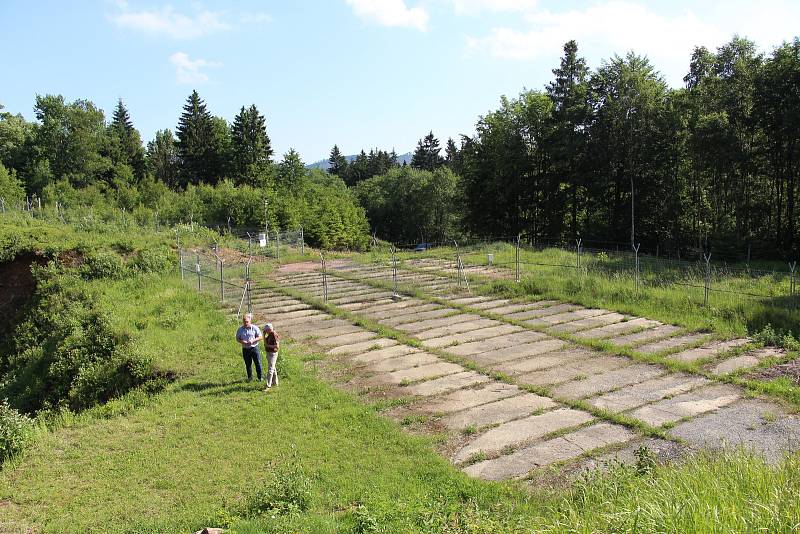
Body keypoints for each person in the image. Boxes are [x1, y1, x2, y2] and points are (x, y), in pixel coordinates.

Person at [236, 313, 263, 382]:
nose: (245, 323)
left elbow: (260, 337)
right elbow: (237, 339)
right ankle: (250, 378)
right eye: (244, 322)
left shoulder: (255, 328)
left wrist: (253, 340)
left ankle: (260, 378)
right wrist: (242, 341)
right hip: (245, 349)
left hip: (254, 348)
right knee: (248, 364)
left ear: (250, 321)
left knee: (258, 363)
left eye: (247, 322)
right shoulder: (240, 330)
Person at [263, 322, 280, 389]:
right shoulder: (269, 334)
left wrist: (268, 346)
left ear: (269, 329)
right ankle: (275, 383)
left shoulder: (274, 334)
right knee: (273, 368)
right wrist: (263, 335)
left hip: (273, 354)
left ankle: (268, 385)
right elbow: (265, 343)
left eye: (265, 330)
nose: (265, 331)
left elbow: (277, 346)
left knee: (270, 369)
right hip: (269, 353)